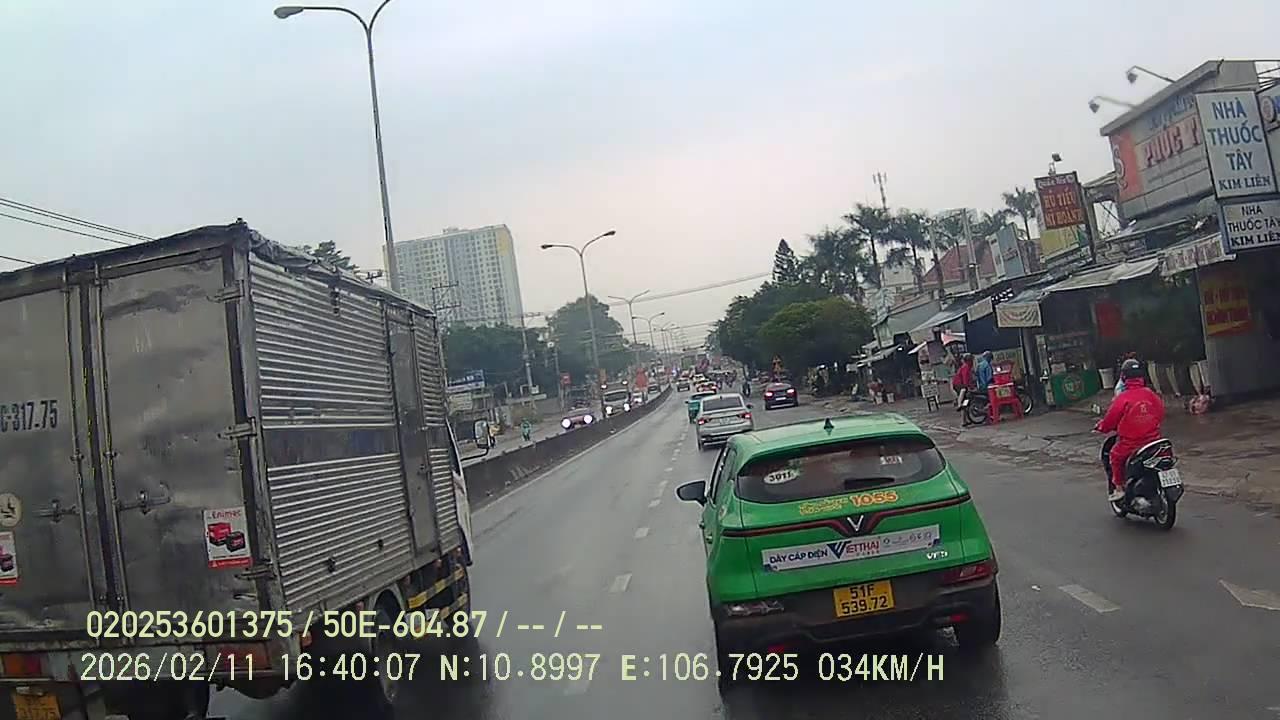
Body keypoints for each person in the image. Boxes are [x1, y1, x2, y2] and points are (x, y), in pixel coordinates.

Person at [1095, 358, 1166, 502]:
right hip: (1154, 441)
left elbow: (1110, 420)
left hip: (1131, 444)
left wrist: (1102, 427)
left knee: (1114, 456)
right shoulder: (1151, 394)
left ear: (1123, 376)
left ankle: (1119, 488)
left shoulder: (1122, 398)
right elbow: (1160, 413)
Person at [952, 353, 976, 419]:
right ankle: (959, 404)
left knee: (965, 401)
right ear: (968, 361)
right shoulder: (966, 367)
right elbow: (965, 378)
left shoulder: (967, 367)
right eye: (971, 360)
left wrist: (970, 386)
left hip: (960, 384)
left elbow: (969, 379)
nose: (972, 362)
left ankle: (964, 419)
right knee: (963, 392)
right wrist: (968, 386)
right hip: (958, 384)